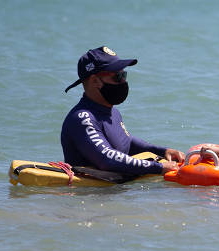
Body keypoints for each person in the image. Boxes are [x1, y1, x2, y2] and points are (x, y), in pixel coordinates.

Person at [61, 46, 183, 176]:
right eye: (117, 77)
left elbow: (127, 143)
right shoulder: (82, 118)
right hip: (90, 195)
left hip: (115, 193)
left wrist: (163, 151)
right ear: (95, 81)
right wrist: (158, 167)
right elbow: (107, 159)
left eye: (124, 74)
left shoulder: (113, 113)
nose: (124, 81)